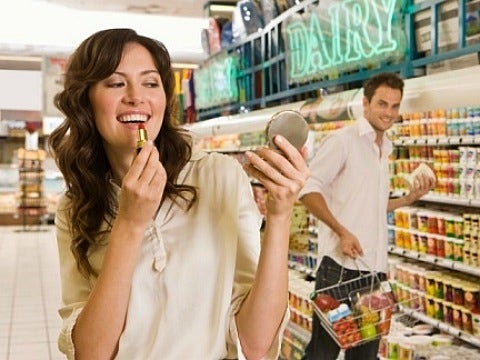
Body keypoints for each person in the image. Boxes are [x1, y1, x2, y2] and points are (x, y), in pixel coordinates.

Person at [48, 28, 310, 360]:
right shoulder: (75, 207)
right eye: (115, 83)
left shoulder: (219, 177)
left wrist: (280, 215)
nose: (135, 96)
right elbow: (91, 353)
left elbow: (255, 345)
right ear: (86, 100)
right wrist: (130, 223)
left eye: (150, 82)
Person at [299, 72, 436, 360]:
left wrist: (408, 199)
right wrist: (341, 231)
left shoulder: (384, 149)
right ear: (366, 103)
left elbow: (371, 206)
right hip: (339, 270)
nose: (389, 112)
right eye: (382, 104)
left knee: (365, 356)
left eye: (394, 106)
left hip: (374, 272)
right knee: (322, 354)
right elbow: (308, 189)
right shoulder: (343, 142)